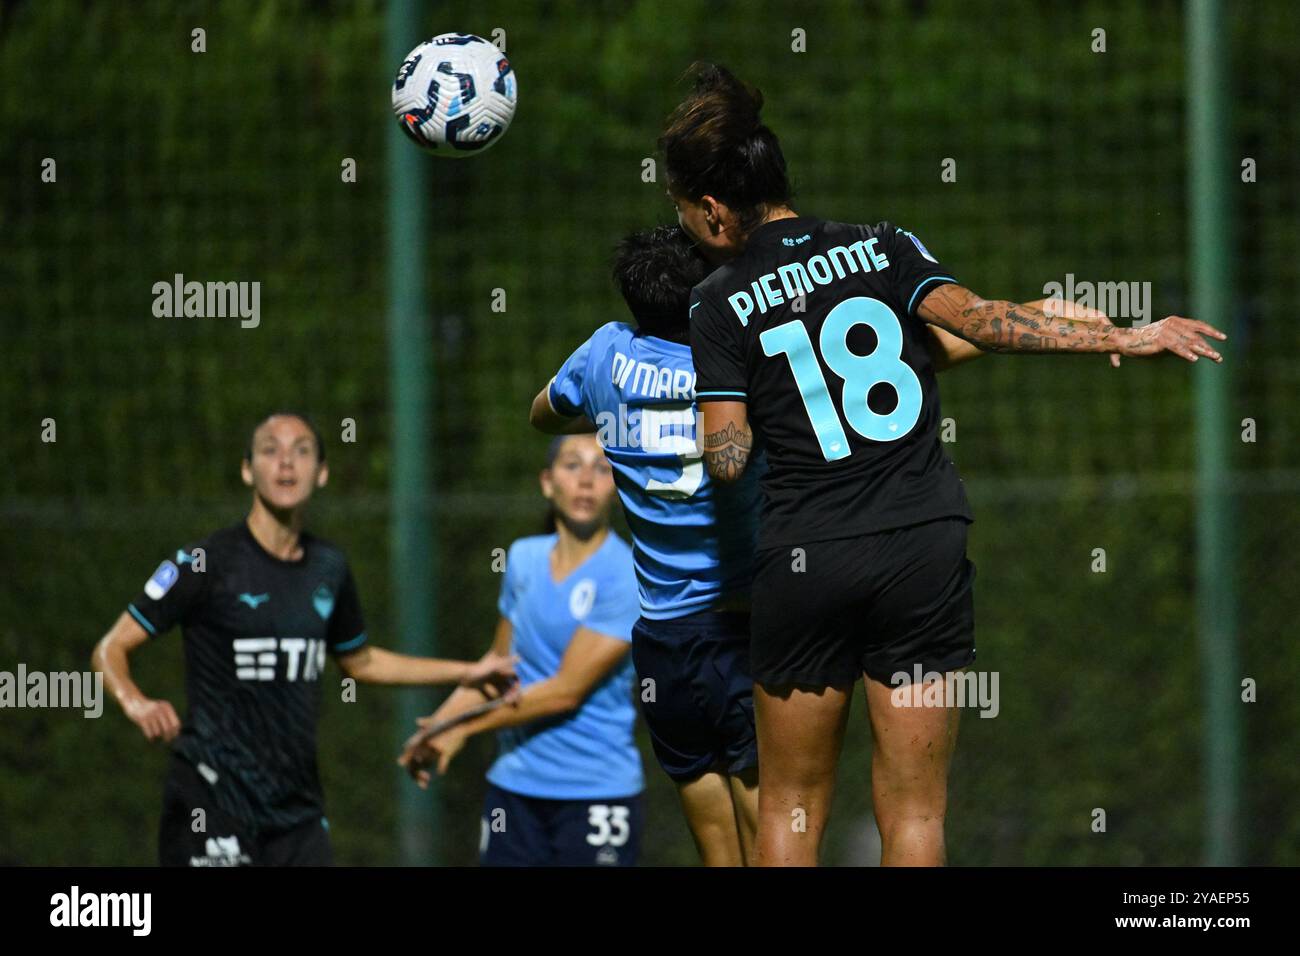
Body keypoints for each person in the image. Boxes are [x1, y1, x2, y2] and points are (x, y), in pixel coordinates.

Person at [661, 63, 1227, 866]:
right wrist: (1119, 333)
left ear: (714, 210)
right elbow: (980, 324)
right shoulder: (882, 245)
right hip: (921, 543)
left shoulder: (716, 302)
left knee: (790, 807)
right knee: (918, 814)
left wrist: (722, 421)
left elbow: (728, 458)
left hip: (807, 555)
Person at [524, 224, 990, 865]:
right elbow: (928, 352)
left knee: (719, 849)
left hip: (662, 637)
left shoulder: (602, 354)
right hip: (742, 623)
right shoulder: (738, 357)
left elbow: (544, 411)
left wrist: (616, 407)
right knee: (782, 823)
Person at [92, 410, 516, 866]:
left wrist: (468, 670)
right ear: (246, 469)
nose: (286, 463)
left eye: (301, 451)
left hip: (297, 813)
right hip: (213, 800)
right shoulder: (203, 562)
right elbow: (110, 648)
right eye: (270, 450)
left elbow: (362, 662)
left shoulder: (328, 568)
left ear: (322, 472)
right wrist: (136, 701)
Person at [400, 434, 645, 867]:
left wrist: (463, 729)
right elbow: (498, 672)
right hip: (512, 791)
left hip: (596, 793)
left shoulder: (624, 573)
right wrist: (436, 727)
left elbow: (565, 691)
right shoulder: (522, 559)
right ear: (547, 483)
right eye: (572, 465)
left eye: (602, 469)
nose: (586, 480)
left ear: (617, 487)